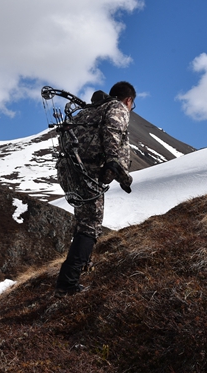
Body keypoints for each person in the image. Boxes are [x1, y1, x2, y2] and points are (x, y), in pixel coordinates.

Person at [55, 81, 136, 296]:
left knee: (83, 221)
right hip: (88, 172)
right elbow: (113, 129)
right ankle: (67, 284)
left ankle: (77, 271)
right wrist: (113, 162)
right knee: (90, 226)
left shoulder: (87, 112)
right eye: (132, 105)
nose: (130, 109)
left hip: (68, 170)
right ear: (128, 100)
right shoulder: (117, 108)